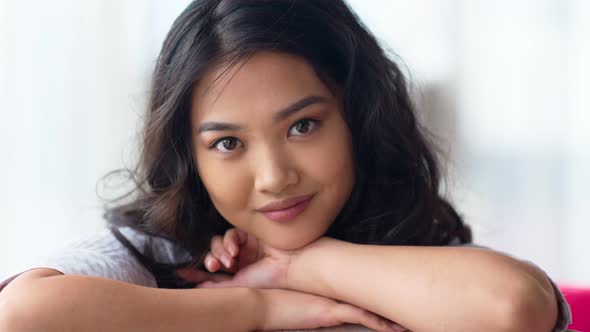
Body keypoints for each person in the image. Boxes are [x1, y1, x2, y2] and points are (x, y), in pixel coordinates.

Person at [0, 0, 572, 331]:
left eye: (303, 126)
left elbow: (510, 308)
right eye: (227, 143)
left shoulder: (412, 255)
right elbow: (21, 315)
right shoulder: (155, 254)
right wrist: (254, 303)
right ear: (189, 155)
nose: (273, 177)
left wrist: (299, 266)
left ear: (357, 117)